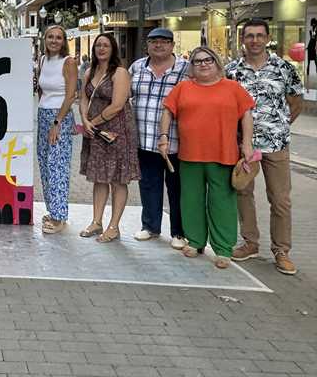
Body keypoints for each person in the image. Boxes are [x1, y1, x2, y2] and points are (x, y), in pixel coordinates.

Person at [160, 46, 255, 269]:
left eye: (208, 60)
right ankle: (195, 241)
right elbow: (167, 111)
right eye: (197, 61)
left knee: (222, 202)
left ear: (217, 64)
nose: (203, 64)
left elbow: (246, 115)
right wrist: (163, 137)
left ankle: (223, 249)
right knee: (190, 199)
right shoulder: (183, 88)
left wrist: (248, 144)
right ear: (191, 67)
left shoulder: (233, 88)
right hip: (190, 154)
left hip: (224, 155)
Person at [226, 19, 304, 275]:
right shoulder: (232, 70)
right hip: (243, 146)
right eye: (250, 36)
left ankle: (282, 251)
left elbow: (295, 102)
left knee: (280, 199)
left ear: (268, 37)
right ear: (242, 39)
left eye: (260, 35)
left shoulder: (284, 68)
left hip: (276, 145)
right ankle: (250, 243)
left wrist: (278, 126)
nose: (255, 40)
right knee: (243, 193)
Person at [129, 27, 188, 249]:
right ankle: (150, 227)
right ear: (147, 45)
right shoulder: (137, 67)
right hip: (144, 140)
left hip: (176, 141)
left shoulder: (186, 69)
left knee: (177, 188)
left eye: (164, 41)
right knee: (149, 186)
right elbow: (127, 97)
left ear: (172, 45)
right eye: (154, 41)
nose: (159, 45)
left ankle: (179, 232)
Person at [78, 33, 140, 243]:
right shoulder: (89, 71)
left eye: (105, 45)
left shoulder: (120, 72)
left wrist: (92, 122)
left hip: (116, 131)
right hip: (94, 130)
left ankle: (114, 226)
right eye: (98, 45)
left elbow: (117, 105)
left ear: (113, 49)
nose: (101, 49)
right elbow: (83, 97)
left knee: (117, 179)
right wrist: (84, 120)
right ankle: (96, 221)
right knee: (99, 177)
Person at [35, 25, 78, 234]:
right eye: (50, 37)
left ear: (64, 41)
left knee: (57, 166)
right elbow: (41, 89)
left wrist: (57, 122)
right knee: (44, 163)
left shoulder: (68, 62)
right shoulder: (43, 60)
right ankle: (53, 210)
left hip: (58, 117)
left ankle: (59, 217)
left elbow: (71, 95)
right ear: (45, 39)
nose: (54, 40)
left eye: (58, 38)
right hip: (43, 114)